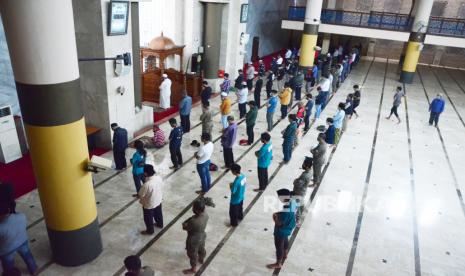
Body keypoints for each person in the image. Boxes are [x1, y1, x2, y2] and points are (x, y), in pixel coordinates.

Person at [0, 203, 37, 275]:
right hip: (23, 241)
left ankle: (9, 273)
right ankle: (34, 269)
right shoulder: (21, 216)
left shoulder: (1, 227)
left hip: (7, 249)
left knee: (8, 264)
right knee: (28, 256)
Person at [266, 189, 296, 269]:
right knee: (285, 239)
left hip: (281, 230)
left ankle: (278, 263)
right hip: (289, 227)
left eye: (279, 197)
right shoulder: (292, 202)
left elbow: (279, 224)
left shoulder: (286, 210)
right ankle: (285, 254)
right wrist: (279, 213)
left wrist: (275, 217)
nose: (278, 198)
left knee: (279, 246)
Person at [182, 199, 209, 274]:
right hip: (202, 235)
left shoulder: (193, 221)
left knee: (192, 253)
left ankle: (193, 269)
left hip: (193, 239)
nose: (192, 208)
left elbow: (185, 227)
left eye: (193, 207)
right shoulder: (206, 215)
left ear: (196, 210)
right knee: (201, 247)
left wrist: (185, 223)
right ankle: (201, 258)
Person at [138, 164, 163, 234]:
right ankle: (159, 224)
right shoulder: (159, 178)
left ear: (145, 173)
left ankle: (150, 231)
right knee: (158, 213)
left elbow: (141, 194)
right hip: (158, 199)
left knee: (148, 218)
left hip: (149, 203)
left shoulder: (147, 184)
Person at [292, 157, 313, 224]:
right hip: (303, 191)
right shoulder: (310, 171)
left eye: (304, 164)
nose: (302, 165)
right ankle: (303, 210)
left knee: (297, 205)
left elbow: (298, 184)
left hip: (299, 192)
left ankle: (298, 220)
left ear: (307, 166)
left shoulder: (305, 175)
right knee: (301, 202)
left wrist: (295, 181)